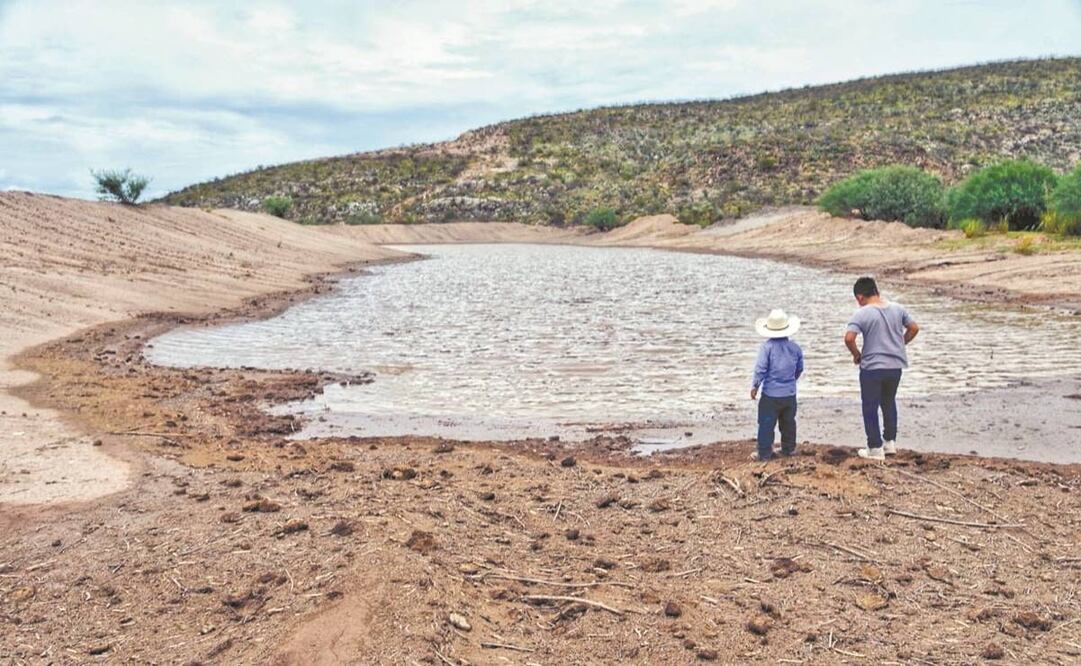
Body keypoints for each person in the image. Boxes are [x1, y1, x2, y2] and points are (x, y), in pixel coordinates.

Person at [844, 277, 920, 460]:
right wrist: (900, 344)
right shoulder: (897, 308)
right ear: (876, 291)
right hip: (895, 366)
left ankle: (875, 448)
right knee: (888, 402)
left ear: (860, 297)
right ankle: (889, 443)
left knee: (870, 406)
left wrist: (857, 355)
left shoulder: (862, 313)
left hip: (872, 367)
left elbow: (849, 338)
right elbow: (914, 328)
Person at [750, 308, 804, 461]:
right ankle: (788, 449)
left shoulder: (767, 348)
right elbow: (799, 368)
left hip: (771, 394)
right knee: (788, 423)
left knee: (766, 423)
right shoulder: (795, 348)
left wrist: (755, 386)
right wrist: (790, 381)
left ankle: (764, 453)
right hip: (789, 394)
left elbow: (760, 369)